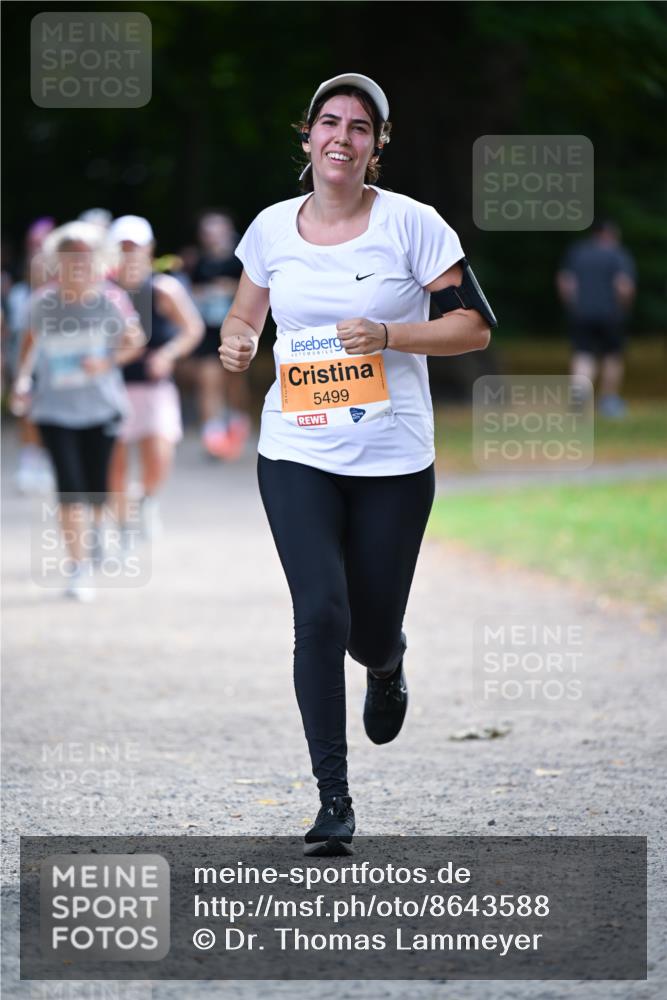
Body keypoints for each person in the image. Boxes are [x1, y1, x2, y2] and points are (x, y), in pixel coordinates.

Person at [219, 73, 495, 855]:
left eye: (360, 127)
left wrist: (389, 334)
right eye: (329, 123)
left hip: (393, 456)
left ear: (377, 146)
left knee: (367, 630)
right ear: (306, 136)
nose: (342, 137)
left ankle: (387, 661)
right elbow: (246, 314)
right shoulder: (272, 228)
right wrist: (237, 341)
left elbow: (472, 327)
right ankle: (332, 798)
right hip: (297, 447)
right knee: (320, 614)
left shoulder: (413, 225)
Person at [9, 221, 145, 601]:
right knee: (69, 486)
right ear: (58, 262)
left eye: (85, 258)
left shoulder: (112, 299)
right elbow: (28, 345)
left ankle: (100, 529)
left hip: (101, 407)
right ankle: (78, 567)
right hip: (54, 409)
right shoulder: (42, 302)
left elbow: (135, 342)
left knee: (97, 485)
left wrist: (106, 362)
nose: (78, 265)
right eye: (70, 258)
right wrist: (21, 382)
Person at [107, 215, 204, 541]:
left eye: (134, 246)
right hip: (112, 387)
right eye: (122, 247)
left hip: (154, 388)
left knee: (159, 454)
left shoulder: (164, 289)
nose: (128, 253)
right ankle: (122, 526)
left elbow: (192, 329)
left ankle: (145, 500)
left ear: (149, 249)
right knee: (115, 463)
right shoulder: (103, 292)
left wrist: (168, 355)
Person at [178, 210, 252, 460]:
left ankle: (237, 421)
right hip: (208, 330)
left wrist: (229, 288)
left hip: (237, 328)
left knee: (234, 380)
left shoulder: (241, 259)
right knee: (208, 379)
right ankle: (213, 437)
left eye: (216, 230)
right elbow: (187, 290)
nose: (212, 236)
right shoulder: (196, 261)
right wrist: (202, 292)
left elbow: (256, 289)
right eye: (207, 231)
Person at [557, 219, 636, 418]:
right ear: (611, 234)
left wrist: (574, 306)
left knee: (583, 355)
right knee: (612, 356)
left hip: (581, 314)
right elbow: (623, 286)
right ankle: (608, 401)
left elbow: (566, 283)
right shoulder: (617, 255)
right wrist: (624, 307)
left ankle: (579, 399)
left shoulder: (578, 253)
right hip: (610, 314)